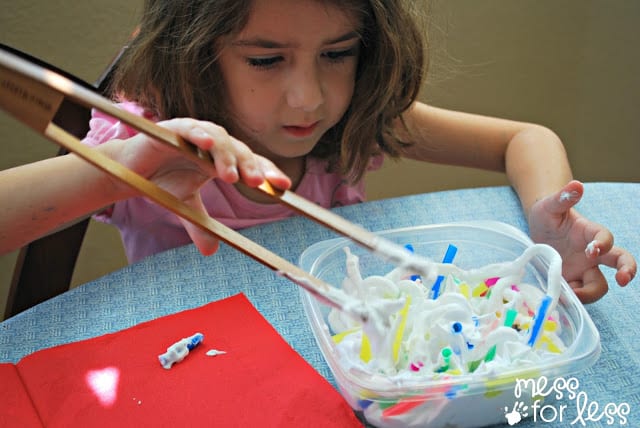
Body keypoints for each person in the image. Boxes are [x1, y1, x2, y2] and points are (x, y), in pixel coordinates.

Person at [0, 0, 635, 304]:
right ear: (197, 53)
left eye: (336, 53)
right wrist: (116, 177)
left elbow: (524, 139)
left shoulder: (354, 117)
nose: (307, 99)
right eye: (266, 59)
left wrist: (548, 217)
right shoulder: (148, 139)